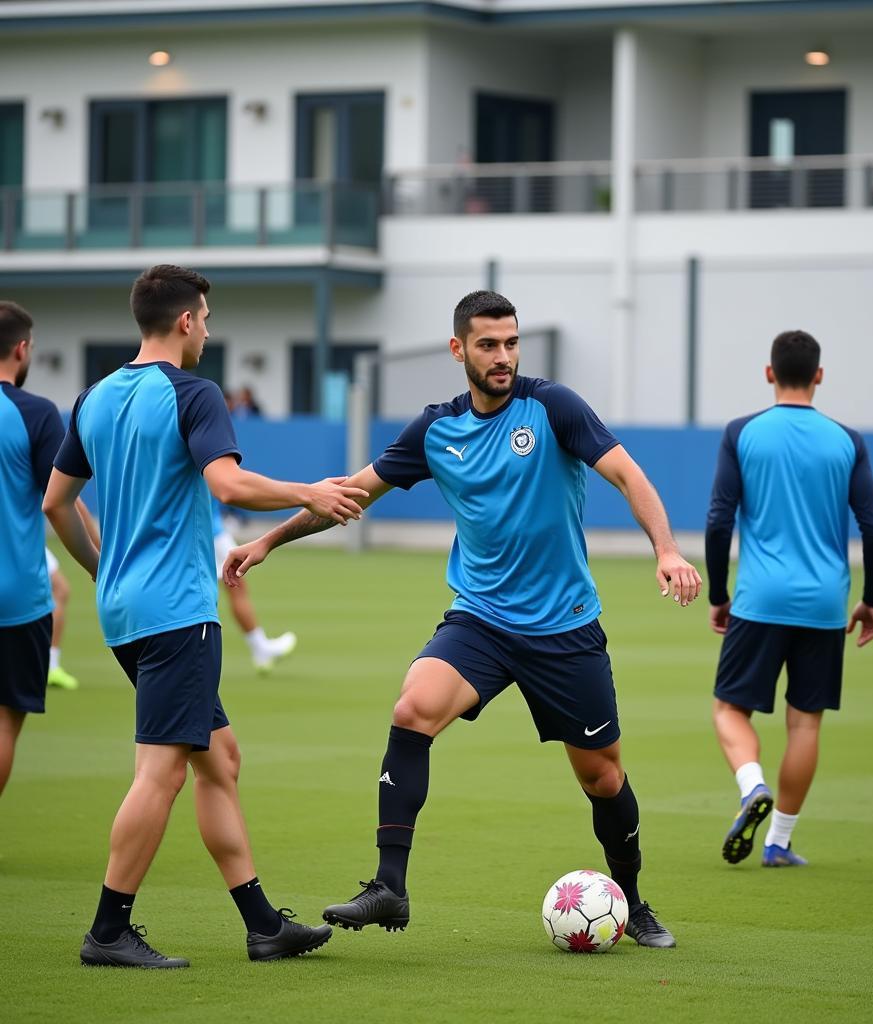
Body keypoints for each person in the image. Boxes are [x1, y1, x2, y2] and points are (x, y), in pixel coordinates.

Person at [224, 290, 703, 949]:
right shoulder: (435, 430)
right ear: (459, 350)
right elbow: (350, 493)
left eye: (511, 343)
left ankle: (634, 900)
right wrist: (266, 542)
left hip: (564, 628)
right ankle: (390, 885)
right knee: (412, 708)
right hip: (480, 621)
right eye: (488, 345)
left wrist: (668, 548)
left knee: (602, 776)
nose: (503, 356)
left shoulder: (553, 407)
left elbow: (626, 474)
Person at [44, 264, 367, 967]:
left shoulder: (94, 398)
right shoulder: (194, 391)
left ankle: (263, 925)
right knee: (160, 773)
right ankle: (107, 931)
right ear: (187, 321)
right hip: (178, 613)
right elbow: (228, 482)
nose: (209, 332)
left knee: (218, 760)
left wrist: (104, 570)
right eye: (207, 319)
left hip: (126, 610)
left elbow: (57, 505)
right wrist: (307, 493)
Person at [706, 330, 873, 868]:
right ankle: (780, 842)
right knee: (804, 723)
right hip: (826, 605)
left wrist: (719, 593)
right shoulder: (847, 439)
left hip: (759, 598)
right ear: (819, 376)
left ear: (769, 374)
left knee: (729, 709)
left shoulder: (742, 432)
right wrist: (871, 599)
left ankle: (750, 786)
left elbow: (719, 521)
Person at [0, 301, 66, 798]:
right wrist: (99, 562)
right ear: (22, 349)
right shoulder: (36, 414)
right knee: (4, 721)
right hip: (16, 598)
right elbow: (58, 501)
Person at [211, 497, 297, 672]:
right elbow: (229, 488)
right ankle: (260, 648)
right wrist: (305, 495)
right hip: (207, 530)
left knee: (234, 585)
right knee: (235, 584)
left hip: (205, 526)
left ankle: (260, 647)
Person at [45, 502, 100, 691]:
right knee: (59, 589)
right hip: (14, 536)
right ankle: (50, 666)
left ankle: (50, 665)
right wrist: (102, 557)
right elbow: (61, 502)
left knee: (59, 589)